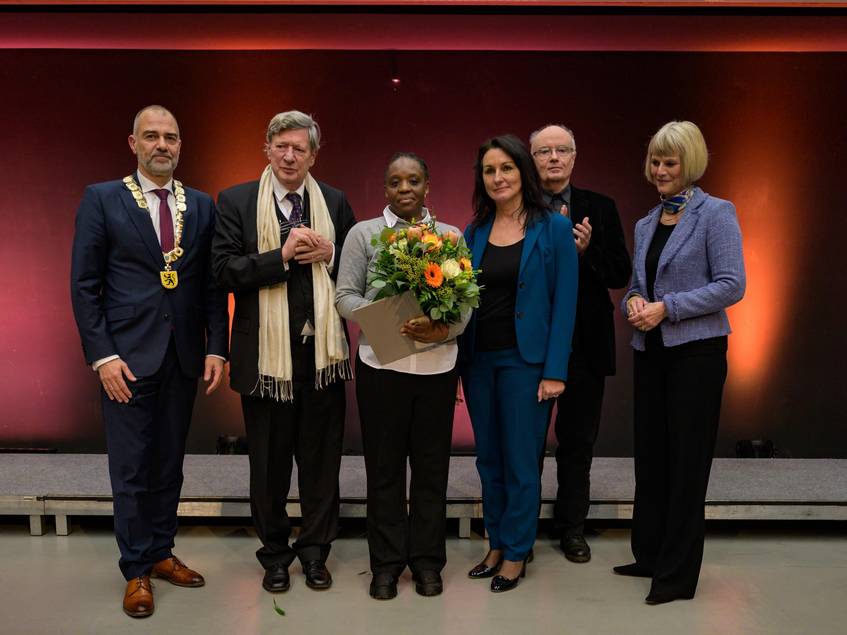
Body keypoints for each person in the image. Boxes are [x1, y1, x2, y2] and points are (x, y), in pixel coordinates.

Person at [70, 105, 229, 618]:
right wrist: (103, 357)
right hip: (125, 360)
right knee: (131, 468)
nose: (162, 145)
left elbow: (211, 285)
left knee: (168, 464)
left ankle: (161, 551)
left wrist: (216, 346)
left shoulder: (200, 205)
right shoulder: (102, 198)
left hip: (182, 355)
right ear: (133, 143)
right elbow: (84, 286)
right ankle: (136, 568)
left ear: (180, 145)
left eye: (171, 137)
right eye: (152, 136)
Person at [212, 110, 355, 594]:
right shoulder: (235, 201)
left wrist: (332, 255)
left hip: (323, 360)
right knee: (269, 469)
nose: (289, 156)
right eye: (281, 146)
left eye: (300, 148)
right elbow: (223, 271)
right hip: (264, 361)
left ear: (314, 155)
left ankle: (315, 554)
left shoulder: (333, 201)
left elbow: (360, 270)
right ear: (267, 150)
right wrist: (282, 256)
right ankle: (274, 555)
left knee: (321, 467)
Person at [617, 120, 745, 604]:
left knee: (687, 465)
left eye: (669, 162)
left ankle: (675, 576)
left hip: (697, 356)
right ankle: (650, 555)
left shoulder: (717, 213)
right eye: (655, 161)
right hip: (650, 354)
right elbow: (637, 287)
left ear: (689, 163)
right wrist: (633, 302)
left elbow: (731, 284)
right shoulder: (646, 222)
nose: (660, 170)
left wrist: (666, 307)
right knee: (651, 460)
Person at [336, 153, 470, 600]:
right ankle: (386, 566)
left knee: (431, 471)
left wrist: (442, 328)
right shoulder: (363, 234)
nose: (405, 188)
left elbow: (466, 303)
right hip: (381, 368)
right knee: (384, 470)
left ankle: (428, 563)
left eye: (413, 180)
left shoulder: (450, 237)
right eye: (395, 182)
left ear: (427, 185)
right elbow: (344, 296)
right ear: (385, 188)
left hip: (437, 369)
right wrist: (389, 317)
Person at [460, 135, 578, 593]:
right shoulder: (475, 231)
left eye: (506, 168)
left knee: (521, 462)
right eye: (489, 170)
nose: (498, 178)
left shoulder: (553, 227)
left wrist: (555, 371)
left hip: (526, 364)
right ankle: (496, 543)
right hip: (478, 361)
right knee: (488, 460)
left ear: (523, 172)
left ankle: (516, 552)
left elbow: (564, 303)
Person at [529, 124, 631, 562]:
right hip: (531, 346)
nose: (553, 158)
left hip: (584, 347)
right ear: (531, 159)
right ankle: (521, 530)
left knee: (577, 444)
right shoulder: (517, 206)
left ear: (574, 157)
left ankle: (571, 529)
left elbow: (620, 274)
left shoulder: (600, 208)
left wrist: (587, 252)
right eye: (543, 151)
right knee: (527, 445)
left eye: (562, 150)